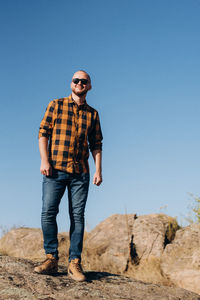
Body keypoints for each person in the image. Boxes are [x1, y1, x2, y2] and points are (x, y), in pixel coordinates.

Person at [34, 70, 103, 281]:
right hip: (54, 169)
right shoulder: (55, 105)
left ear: (89, 86)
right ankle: (51, 259)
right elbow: (43, 133)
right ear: (71, 83)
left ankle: (74, 263)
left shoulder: (93, 113)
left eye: (84, 81)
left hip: (80, 173)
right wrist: (44, 160)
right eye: (76, 80)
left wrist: (98, 169)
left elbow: (97, 144)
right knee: (48, 212)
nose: (80, 83)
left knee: (77, 216)